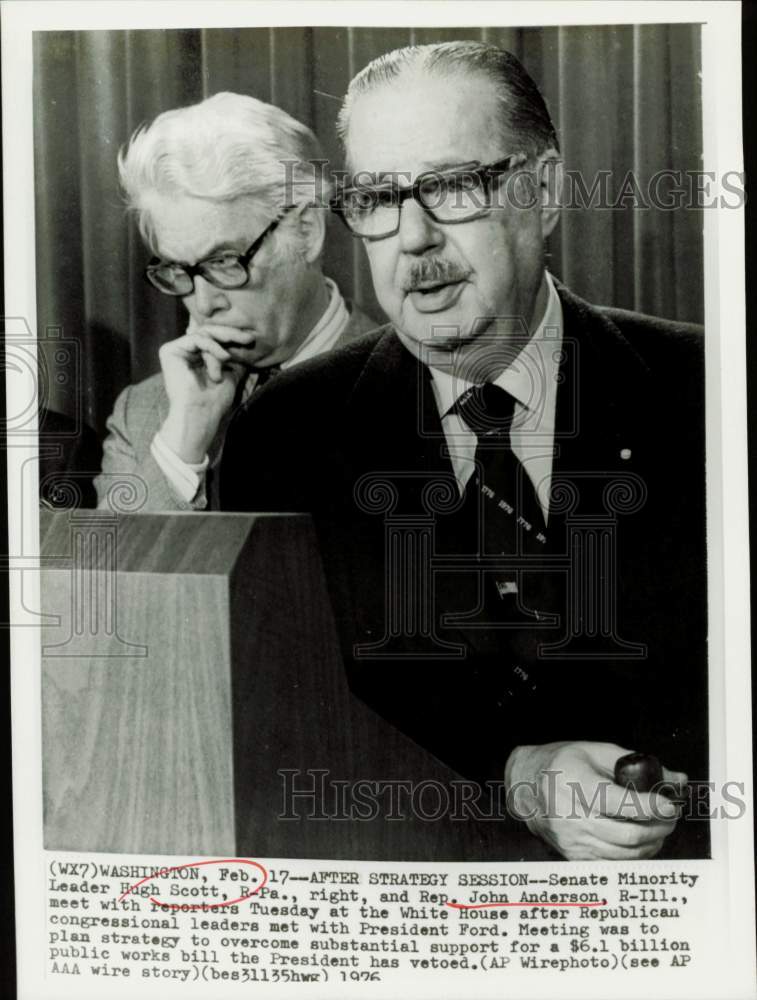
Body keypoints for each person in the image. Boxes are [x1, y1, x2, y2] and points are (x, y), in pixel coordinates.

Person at [221, 42, 707, 860]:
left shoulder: (703, 390)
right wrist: (513, 772)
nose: (412, 238)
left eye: (450, 188)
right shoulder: (285, 434)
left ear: (543, 191)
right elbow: (271, 736)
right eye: (377, 197)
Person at [94, 92, 376, 511]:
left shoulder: (426, 386)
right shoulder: (147, 416)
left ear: (306, 232)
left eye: (225, 262)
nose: (204, 304)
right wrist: (186, 437)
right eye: (179, 271)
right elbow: (111, 577)